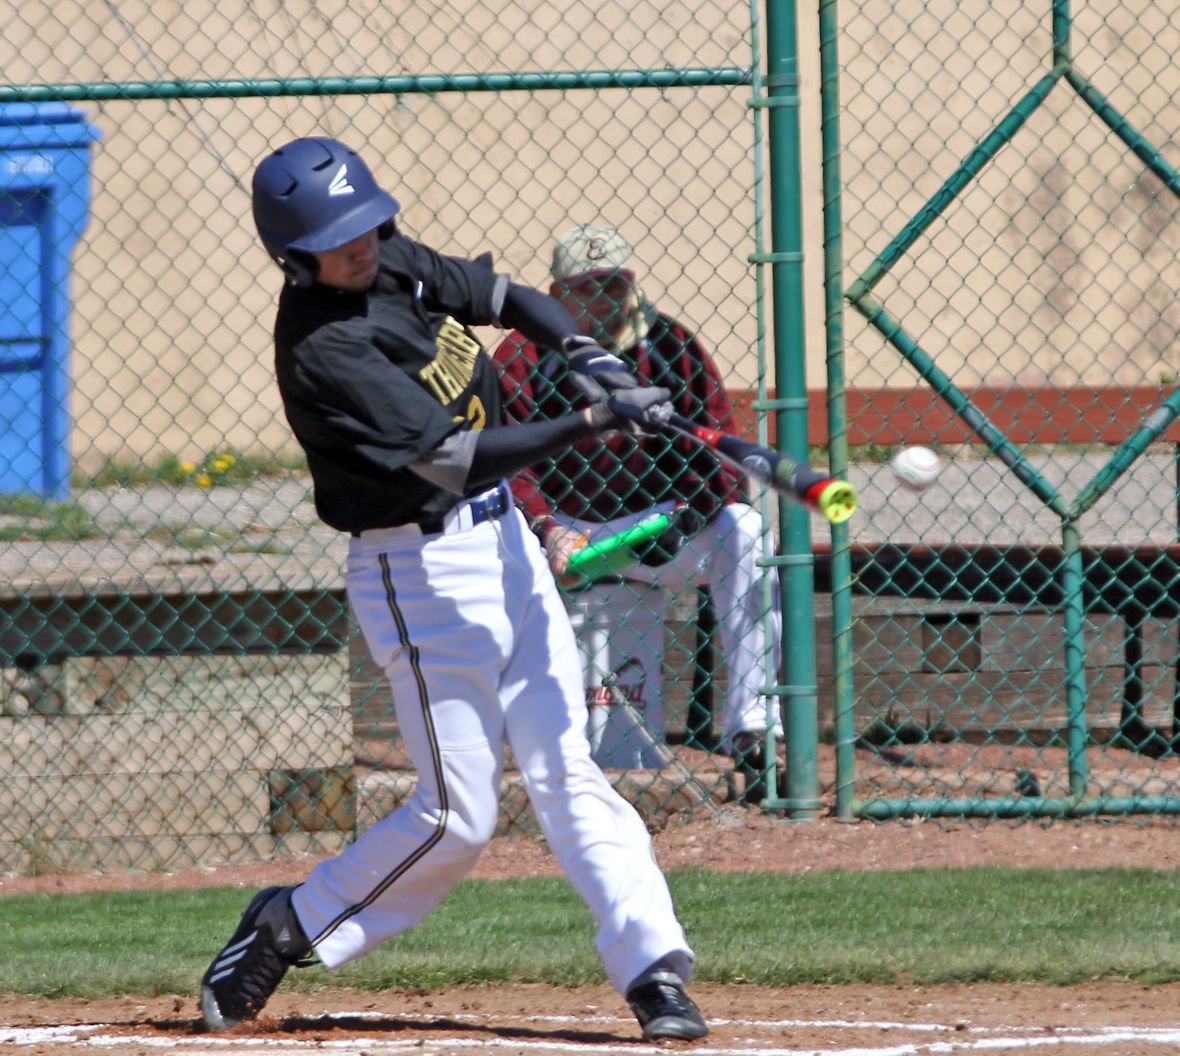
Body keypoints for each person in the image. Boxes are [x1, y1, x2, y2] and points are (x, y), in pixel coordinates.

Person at [198, 137, 707, 1042]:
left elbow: (510, 299)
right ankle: (288, 923)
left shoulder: (388, 261)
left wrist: (587, 352)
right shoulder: (323, 349)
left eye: (366, 224)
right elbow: (453, 458)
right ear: (293, 256)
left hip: (504, 538)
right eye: (337, 238)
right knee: (456, 818)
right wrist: (590, 416)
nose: (363, 245)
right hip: (418, 570)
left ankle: (652, 969)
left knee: (567, 769)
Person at [492, 225, 783, 783]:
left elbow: (715, 443)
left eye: (615, 285)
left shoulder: (669, 343)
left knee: (744, 531)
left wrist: (689, 516)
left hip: (656, 527)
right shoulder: (522, 353)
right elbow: (508, 463)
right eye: (586, 288)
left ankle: (752, 726)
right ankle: (510, 740)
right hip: (563, 531)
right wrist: (547, 528)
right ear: (556, 295)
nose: (603, 300)